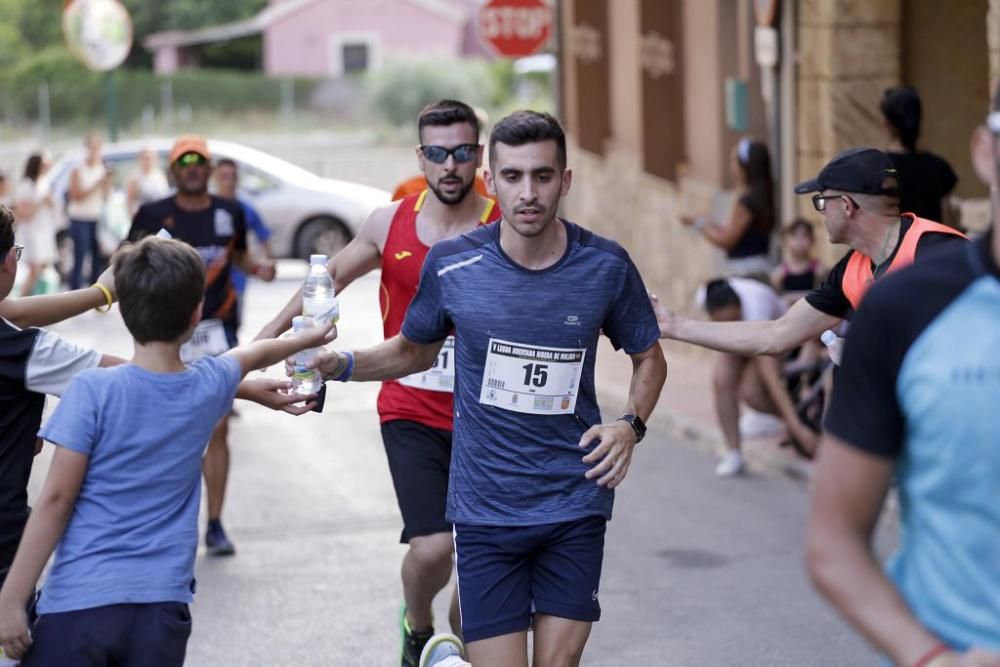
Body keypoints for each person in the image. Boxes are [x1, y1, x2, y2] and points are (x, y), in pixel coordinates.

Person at [307, 110, 667, 666]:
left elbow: (650, 359)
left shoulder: (605, 267)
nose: (529, 193)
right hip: (486, 512)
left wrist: (630, 425)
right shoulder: (453, 265)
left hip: (573, 503)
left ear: (564, 181)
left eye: (543, 176)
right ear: (491, 180)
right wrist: (344, 363)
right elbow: (412, 350)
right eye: (514, 177)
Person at [0, 236, 333, 666]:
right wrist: (310, 335)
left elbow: (57, 500)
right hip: (162, 611)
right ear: (197, 314)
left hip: (78, 606)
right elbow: (251, 354)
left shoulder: (91, 391)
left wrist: (12, 598)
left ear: (125, 311)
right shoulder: (208, 384)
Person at [257, 99, 502, 666]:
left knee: (482, 590)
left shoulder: (502, 222)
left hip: (490, 418)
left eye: (463, 153)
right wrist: (266, 341)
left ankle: (458, 652)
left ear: (479, 156)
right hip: (411, 409)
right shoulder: (388, 221)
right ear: (421, 155)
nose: (450, 166)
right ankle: (418, 627)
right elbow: (327, 279)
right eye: (437, 153)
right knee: (434, 549)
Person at [805, 89, 1000, 667]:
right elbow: (832, 541)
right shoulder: (902, 308)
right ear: (986, 152)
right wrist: (931, 658)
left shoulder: (922, 249)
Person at [654, 147, 967, 360]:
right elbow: (775, 335)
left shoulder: (938, 253)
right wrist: (676, 326)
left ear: (847, 206)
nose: (820, 214)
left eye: (822, 202)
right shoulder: (851, 271)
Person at [127, 135, 276, 557]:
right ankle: (160, 522)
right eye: (184, 162)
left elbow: (239, 257)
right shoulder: (153, 214)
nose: (192, 168)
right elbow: (125, 265)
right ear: (173, 171)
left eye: (200, 162)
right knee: (162, 427)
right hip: (161, 330)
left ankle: (214, 524)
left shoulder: (230, 213)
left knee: (218, 425)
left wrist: (259, 267)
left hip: (215, 328)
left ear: (209, 170)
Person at [697, 278, 819, 476]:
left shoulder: (756, 307)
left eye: (732, 319)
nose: (728, 324)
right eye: (722, 322)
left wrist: (795, 425)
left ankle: (792, 420)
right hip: (740, 338)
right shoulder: (703, 296)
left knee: (751, 392)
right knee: (721, 379)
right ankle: (733, 452)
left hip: (775, 336)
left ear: (740, 307)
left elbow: (770, 378)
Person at [681, 137, 775, 280]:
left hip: (745, 270)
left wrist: (701, 225)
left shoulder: (747, 202)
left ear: (745, 167)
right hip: (759, 265)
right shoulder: (763, 196)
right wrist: (710, 224)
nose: (732, 167)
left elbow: (727, 240)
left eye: (734, 162)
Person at [881, 86, 959, 227]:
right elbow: (949, 221)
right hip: (934, 246)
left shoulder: (880, 168)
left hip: (899, 248)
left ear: (887, 124)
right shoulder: (937, 167)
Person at [213, 158, 274, 328]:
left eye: (233, 176)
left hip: (236, 280)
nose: (229, 181)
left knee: (232, 327)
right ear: (215, 177)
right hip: (209, 282)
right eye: (224, 176)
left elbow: (264, 237)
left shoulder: (244, 209)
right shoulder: (205, 208)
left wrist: (264, 265)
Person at [67, 133, 112, 291]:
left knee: (97, 257)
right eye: (92, 148)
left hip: (97, 218)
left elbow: (106, 197)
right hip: (80, 218)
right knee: (80, 256)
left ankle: (96, 292)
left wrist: (106, 183)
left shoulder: (102, 167)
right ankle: (74, 289)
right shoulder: (78, 169)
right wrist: (96, 183)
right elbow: (76, 196)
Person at [13, 153, 59, 296]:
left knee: (44, 268)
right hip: (32, 233)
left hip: (44, 231)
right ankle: (22, 300)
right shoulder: (26, 185)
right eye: (44, 164)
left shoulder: (44, 182)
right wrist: (41, 202)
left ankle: (36, 299)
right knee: (35, 270)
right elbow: (22, 212)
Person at [770, 218, 827, 302]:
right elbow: (775, 299)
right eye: (794, 235)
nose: (800, 240)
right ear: (784, 240)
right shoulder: (779, 273)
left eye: (805, 235)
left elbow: (823, 296)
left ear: (812, 240)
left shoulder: (819, 270)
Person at [125, 146, 169, 217]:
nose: (148, 161)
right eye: (145, 158)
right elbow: (130, 203)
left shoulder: (160, 175)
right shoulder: (135, 179)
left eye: (151, 158)